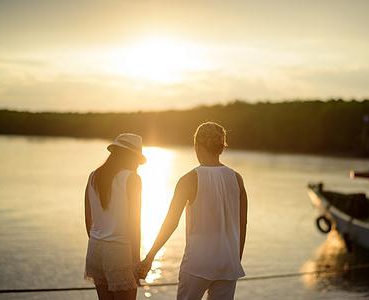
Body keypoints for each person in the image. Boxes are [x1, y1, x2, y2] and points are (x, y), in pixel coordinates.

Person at [139, 122, 248, 300]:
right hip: (228, 263)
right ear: (221, 148)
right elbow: (242, 224)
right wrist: (236, 259)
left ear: (196, 146)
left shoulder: (189, 179)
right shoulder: (237, 179)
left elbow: (171, 222)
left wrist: (150, 257)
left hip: (198, 263)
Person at [84, 133, 146, 300]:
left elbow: (88, 220)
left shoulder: (93, 176)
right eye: (137, 160)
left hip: (95, 248)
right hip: (120, 251)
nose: (138, 166)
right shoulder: (132, 179)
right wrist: (136, 260)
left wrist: (100, 239)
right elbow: (134, 223)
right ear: (129, 156)